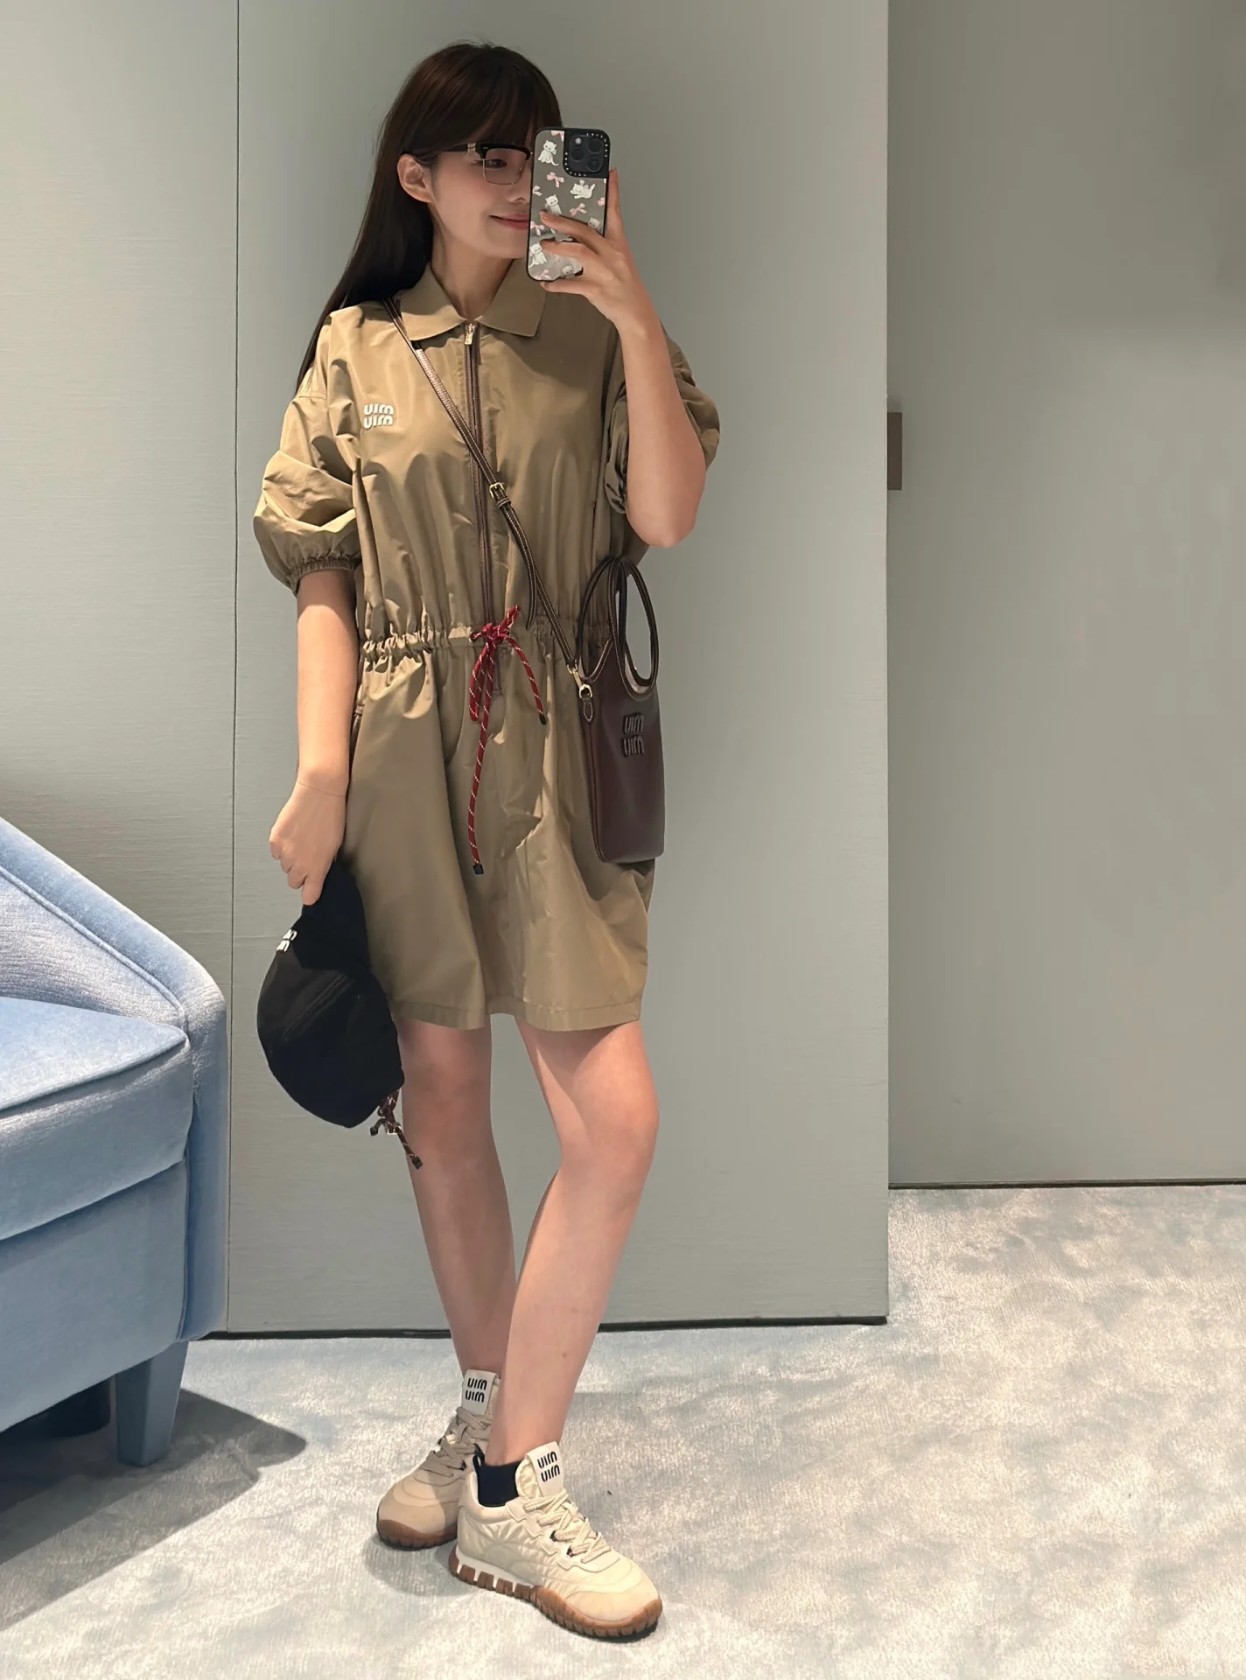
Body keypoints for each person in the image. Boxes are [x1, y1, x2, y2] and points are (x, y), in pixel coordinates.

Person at [253, 39, 719, 1641]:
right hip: (400, 757)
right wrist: (323, 772)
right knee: (444, 1104)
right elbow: (322, 575)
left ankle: (512, 1487)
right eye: (489, 158)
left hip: (555, 744)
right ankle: (488, 1416)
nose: (521, 184)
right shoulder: (356, 350)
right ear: (418, 176)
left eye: (539, 156)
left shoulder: (588, 331)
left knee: (613, 1120)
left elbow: (667, 516)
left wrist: (635, 311)